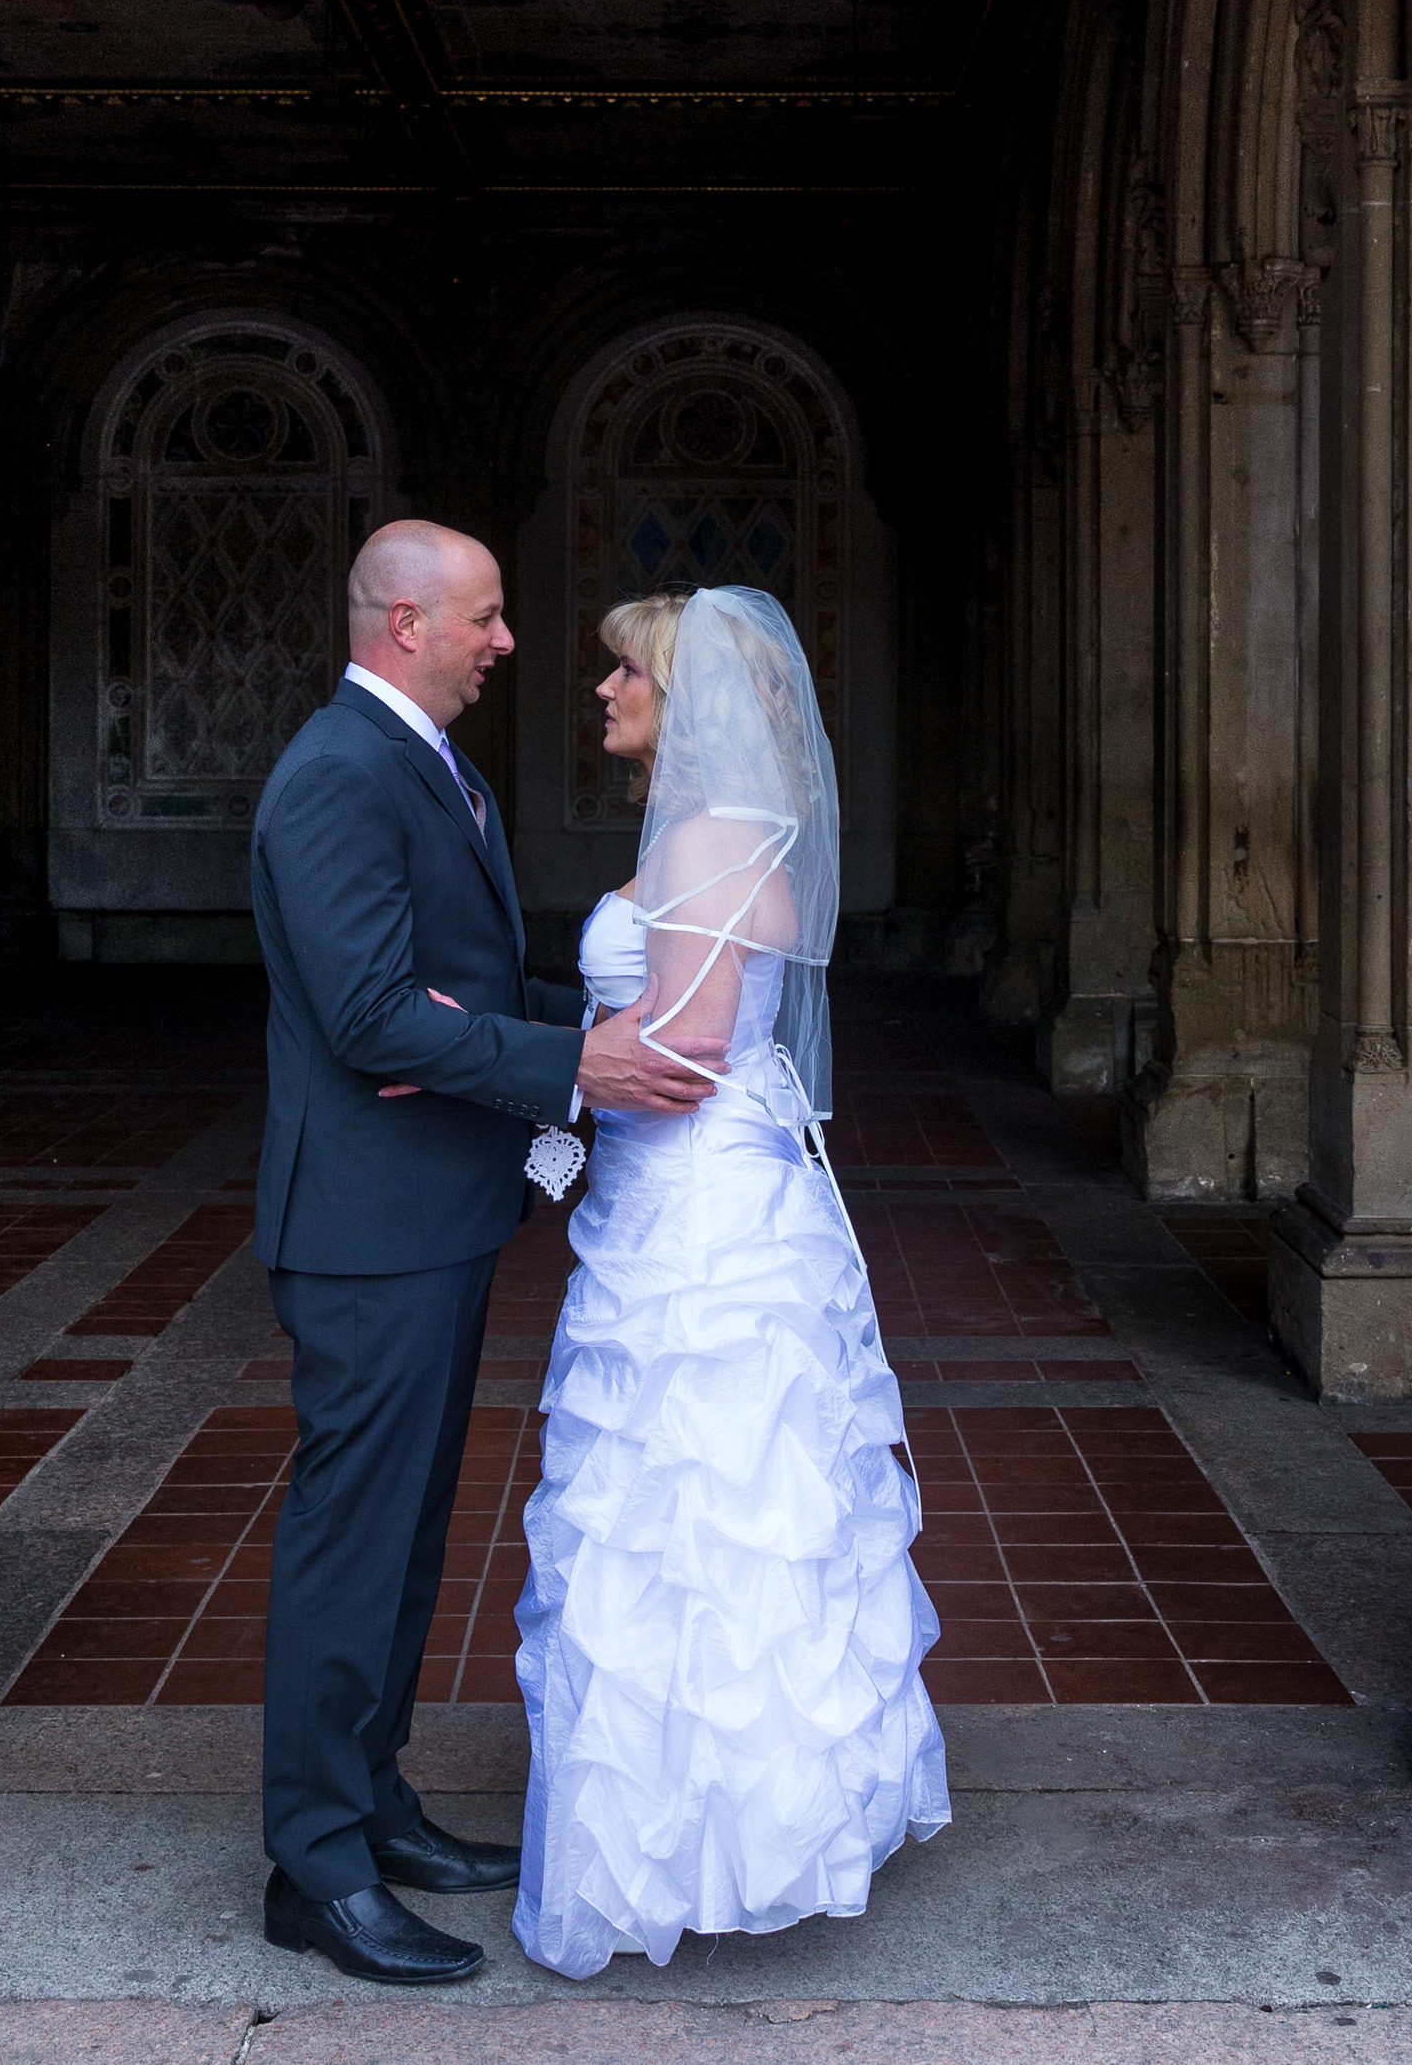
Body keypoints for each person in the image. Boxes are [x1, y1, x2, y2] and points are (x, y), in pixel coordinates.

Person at [250, 518, 724, 1990]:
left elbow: (447, 989)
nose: (508, 641)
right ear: (406, 624)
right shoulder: (338, 770)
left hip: (431, 1212)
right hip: (366, 1228)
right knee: (352, 1536)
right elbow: (374, 1015)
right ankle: (313, 1862)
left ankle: (373, 1799)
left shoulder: (422, 762)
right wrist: (573, 1060)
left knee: (403, 1536)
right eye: (489, 616)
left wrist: (541, 1035)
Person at [512, 582, 950, 1979]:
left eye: (623, 671)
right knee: (709, 1510)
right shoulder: (712, 829)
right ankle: (727, 1818)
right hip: (687, 1196)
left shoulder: (706, 835)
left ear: (682, 693)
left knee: (693, 1501)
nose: (603, 692)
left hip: (694, 1220)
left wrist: (543, 1090)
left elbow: (688, 1046)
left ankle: (701, 1833)